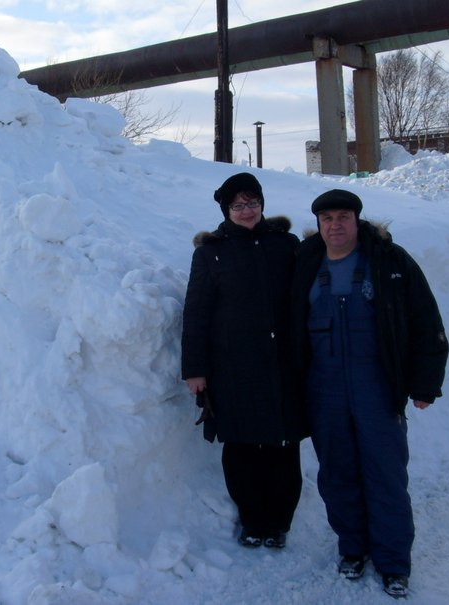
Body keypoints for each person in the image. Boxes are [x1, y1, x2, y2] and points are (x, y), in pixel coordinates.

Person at [290, 189, 448, 598]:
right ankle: (353, 548)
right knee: (338, 474)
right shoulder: (305, 264)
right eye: (327, 219)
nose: (336, 225)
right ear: (319, 225)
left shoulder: (390, 262)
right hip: (325, 389)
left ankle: (394, 562)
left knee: (386, 476)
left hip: (376, 386)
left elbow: (425, 321)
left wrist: (424, 383)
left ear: (357, 221)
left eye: (344, 216)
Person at [181, 172, 305, 549]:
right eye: (238, 205)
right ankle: (253, 521)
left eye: (252, 203)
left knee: (284, 447)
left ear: (262, 205)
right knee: (242, 448)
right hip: (233, 368)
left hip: (283, 364)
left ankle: (279, 522)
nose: (247, 210)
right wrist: (195, 369)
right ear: (226, 209)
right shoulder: (210, 253)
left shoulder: (286, 245)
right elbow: (196, 313)